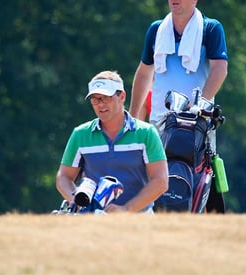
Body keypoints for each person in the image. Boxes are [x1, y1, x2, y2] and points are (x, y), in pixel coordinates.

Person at [129, 0, 228, 144]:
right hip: (159, 122)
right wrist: (132, 118)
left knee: (202, 162)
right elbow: (144, 74)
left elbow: (220, 69)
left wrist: (200, 105)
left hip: (197, 123)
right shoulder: (156, 29)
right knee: (153, 162)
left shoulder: (210, 28)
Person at [56, 71, 168, 213]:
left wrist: (127, 209)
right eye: (95, 99)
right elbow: (64, 177)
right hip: (92, 218)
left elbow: (160, 181)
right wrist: (76, 201)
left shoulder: (146, 133)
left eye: (106, 98)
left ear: (122, 96)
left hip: (139, 218)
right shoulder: (80, 134)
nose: (100, 104)